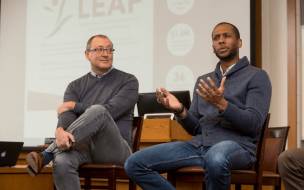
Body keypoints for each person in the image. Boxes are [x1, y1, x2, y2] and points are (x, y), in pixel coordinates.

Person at [124, 22, 272, 190]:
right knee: (134, 163)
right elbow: (195, 129)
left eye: (227, 36)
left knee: (216, 157)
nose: (221, 41)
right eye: (216, 38)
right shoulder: (204, 80)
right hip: (199, 146)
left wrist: (222, 105)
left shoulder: (257, 76)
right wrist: (180, 110)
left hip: (237, 146)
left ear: (239, 42)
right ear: (212, 47)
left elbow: (254, 124)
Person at [25, 35, 139, 190]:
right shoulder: (74, 86)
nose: (105, 54)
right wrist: (59, 130)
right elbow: (66, 114)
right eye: (99, 49)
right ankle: (52, 154)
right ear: (87, 54)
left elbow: (111, 111)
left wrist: (73, 105)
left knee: (99, 111)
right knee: (62, 161)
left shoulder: (129, 81)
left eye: (109, 49)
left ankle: (48, 153)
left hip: (116, 151)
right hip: (83, 148)